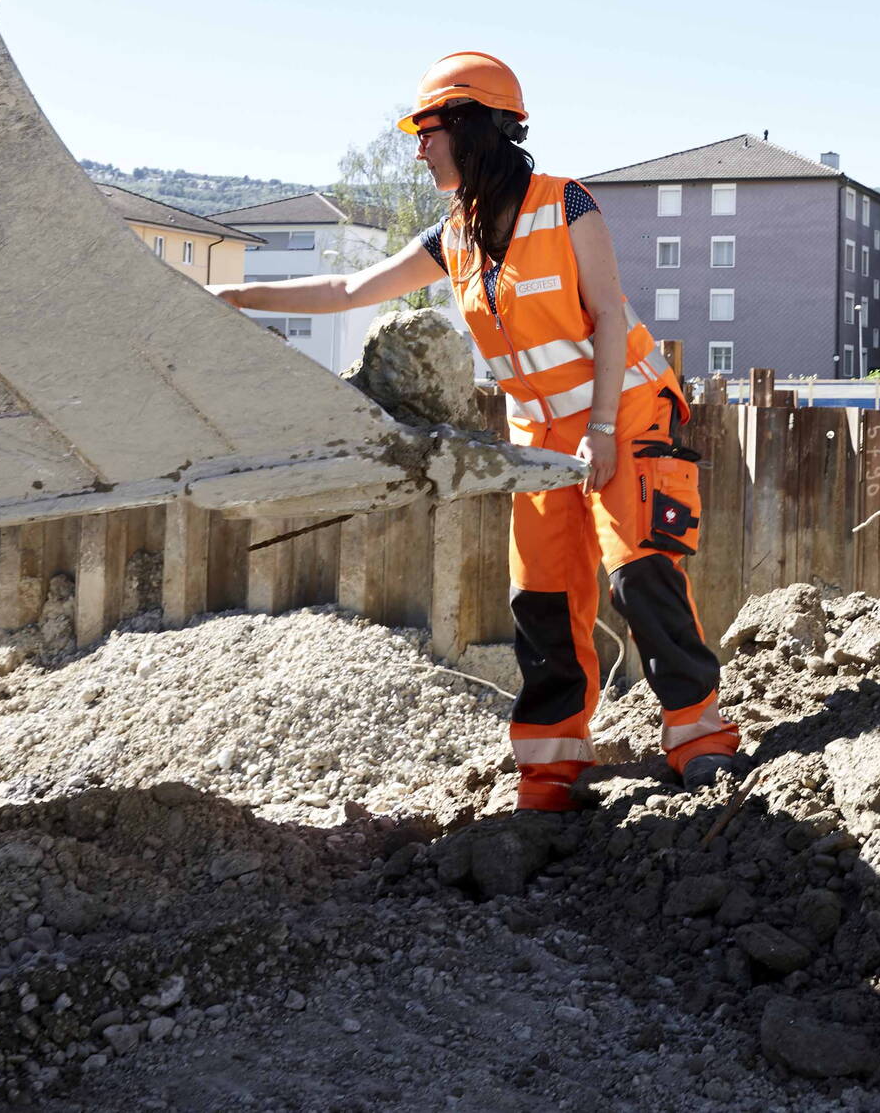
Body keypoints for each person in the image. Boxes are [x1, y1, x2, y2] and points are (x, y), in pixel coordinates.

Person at [212, 51, 745, 811]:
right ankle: (553, 769)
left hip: (620, 409)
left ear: (472, 126)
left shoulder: (569, 205)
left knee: (638, 570)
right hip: (539, 434)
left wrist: (599, 429)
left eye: (428, 129)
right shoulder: (453, 235)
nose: (418, 146)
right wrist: (233, 295)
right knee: (542, 595)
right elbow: (351, 288)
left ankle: (699, 739)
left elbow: (610, 314)